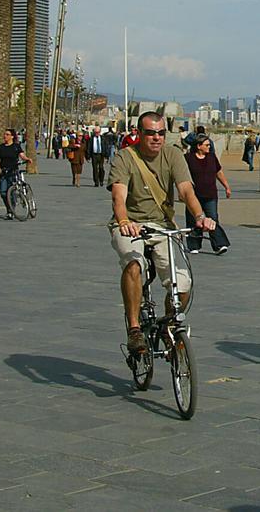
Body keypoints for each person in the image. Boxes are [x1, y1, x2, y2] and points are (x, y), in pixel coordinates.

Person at [108, 112, 215, 356]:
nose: (156, 138)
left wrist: (200, 216)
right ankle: (134, 329)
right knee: (134, 264)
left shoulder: (173, 155)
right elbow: (118, 197)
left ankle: (169, 324)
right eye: (150, 133)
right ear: (139, 133)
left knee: (183, 282)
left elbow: (186, 191)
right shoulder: (125, 157)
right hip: (131, 225)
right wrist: (124, 221)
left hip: (162, 225)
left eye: (161, 133)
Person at [183, 133, 231, 254]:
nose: (209, 147)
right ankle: (194, 245)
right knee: (193, 220)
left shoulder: (212, 157)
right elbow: (182, 175)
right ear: (199, 146)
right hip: (193, 195)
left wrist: (226, 186)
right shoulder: (188, 158)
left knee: (213, 219)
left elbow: (219, 172)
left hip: (210, 194)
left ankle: (219, 244)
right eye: (207, 145)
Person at [0, 128, 32, 219]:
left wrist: (27, 159)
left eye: (7, 134)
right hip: (4, 172)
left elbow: (22, 155)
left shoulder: (16, 146)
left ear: (12, 136)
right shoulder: (1, 147)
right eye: (4, 134)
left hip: (13, 171)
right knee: (3, 192)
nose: (5, 136)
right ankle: (9, 209)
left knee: (11, 190)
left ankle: (11, 210)